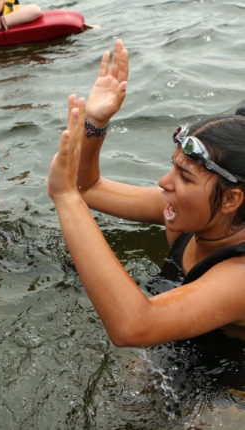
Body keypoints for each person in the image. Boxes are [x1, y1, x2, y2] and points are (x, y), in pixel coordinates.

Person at [48, 39, 245, 347]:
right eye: (172, 167)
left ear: (231, 200)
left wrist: (65, 199)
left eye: (185, 177)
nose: (164, 182)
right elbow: (88, 188)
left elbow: (134, 328)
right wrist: (96, 122)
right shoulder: (187, 211)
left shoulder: (240, 277)